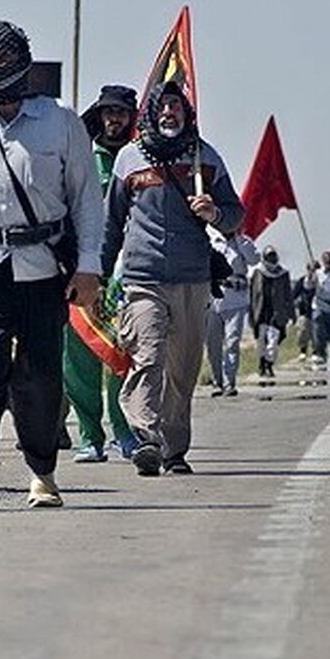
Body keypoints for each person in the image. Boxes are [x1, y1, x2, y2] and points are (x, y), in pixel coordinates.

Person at [0, 19, 103, 510]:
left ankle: (42, 472)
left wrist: (89, 267)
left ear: (25, 63)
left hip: (42, 268)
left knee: (38, 377)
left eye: (5, 59)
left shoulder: (61, 121)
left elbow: (86, 200)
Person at [102, 81, 245, 477]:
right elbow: (111, 226)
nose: (169, 112)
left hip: (192, 278)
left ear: (187, 113)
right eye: (162, 106)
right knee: (148, 356)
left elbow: (236, 215)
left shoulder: (206, 157)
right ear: (150, 113)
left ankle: (174, 450)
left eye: (176, 106)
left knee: (182, 369)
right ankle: (146, 439)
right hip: (142, 277)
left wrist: (214, 213)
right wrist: (95, 275)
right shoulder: (129, 159)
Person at [68, 84, 142, 463]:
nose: (114, 119)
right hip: (82, 270)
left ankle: (125, 432)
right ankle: (89, 436)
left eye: (121, 113)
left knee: (122, 355)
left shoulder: (140, 161)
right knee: (79, 356)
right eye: (108, 112)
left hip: (127, 273)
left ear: (132, 118)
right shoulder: (80, 156)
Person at [205, 230, 259, 396]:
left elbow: (254, 259)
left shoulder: (242, 242)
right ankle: (217, 381)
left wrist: (240, 241)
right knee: (213, 345)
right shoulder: (212, 241)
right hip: (213, 298)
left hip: (236, 299)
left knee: (232, 341)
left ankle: (229, 383)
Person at [249, 245, 295, 379]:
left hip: (277, 312)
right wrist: (251, 314)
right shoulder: (257, 272)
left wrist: (291, 314)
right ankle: (262, 364)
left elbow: (288, 295)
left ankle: (269, 364)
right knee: (261, 342)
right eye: (269, 256)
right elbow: (252, 295)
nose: (272, 259)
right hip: (261, 311)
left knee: (273, 341)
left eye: (273, 256)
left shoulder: (283, 273)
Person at [292, 261, 320, 361]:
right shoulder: (302, 281)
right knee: (303, 331)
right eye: (311, 270)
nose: (312, 272)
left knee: (315, 333)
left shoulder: (320, 283)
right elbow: (294, 294)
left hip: (317, 311)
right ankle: (303, 351)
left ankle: (315, 352)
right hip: (304, 311)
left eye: (314, 270)